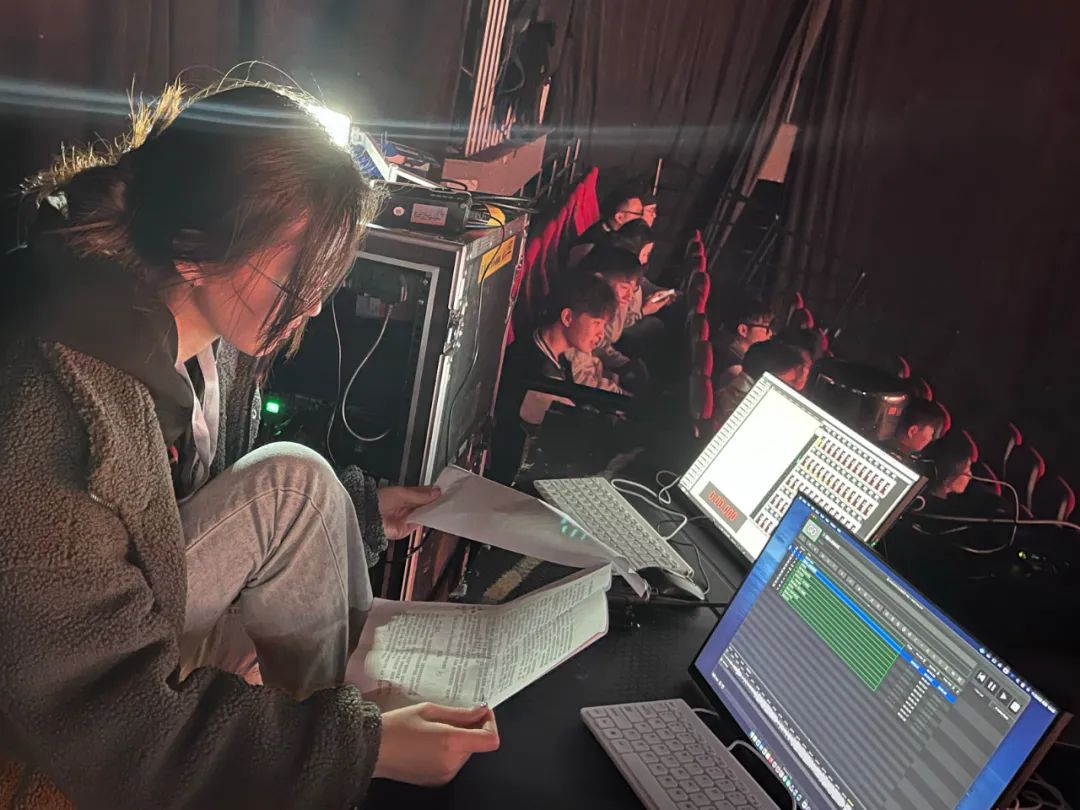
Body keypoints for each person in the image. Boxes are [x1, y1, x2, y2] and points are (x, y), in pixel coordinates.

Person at [0, 82, 499, 810]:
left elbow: (217, 502)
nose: (314, 303)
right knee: (294, 487)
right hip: (52, 701)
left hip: (132, 592)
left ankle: (344, 711)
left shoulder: (203, 333)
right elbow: (110, 725)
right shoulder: (53, 412)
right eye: (296, 276)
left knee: (299, 482)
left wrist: (362, 510)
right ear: (193, 249)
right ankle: (338, 743)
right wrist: (363, 749)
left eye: (324, 278)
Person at [491, 274, 616, 483]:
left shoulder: (551, 352)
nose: (600, 335)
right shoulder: (535, 373)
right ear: (567, 317)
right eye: (597, 323)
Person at [713, 339, 805, 428]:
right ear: (766, 379)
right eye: (789, 383)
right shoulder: (748, 419)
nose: (792, 390)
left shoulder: (728, 395)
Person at [567, 185, 645, 268]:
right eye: (639, 214)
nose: (643, 218)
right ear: (619, 217)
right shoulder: (601, 246)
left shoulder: (609, 232)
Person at [712, 297, 774, 389]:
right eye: (766, 328)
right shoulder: (736, 370)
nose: (770, 333)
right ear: (743, 330)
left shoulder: (723, 348)